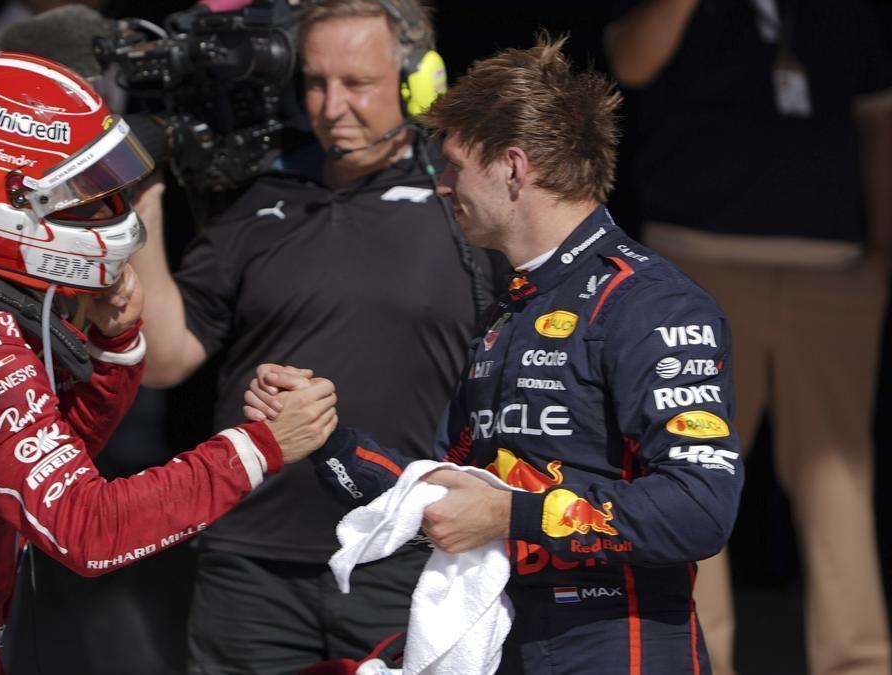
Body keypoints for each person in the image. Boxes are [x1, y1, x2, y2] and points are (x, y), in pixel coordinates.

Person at [0, 50, 339, 673]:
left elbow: (44, 464)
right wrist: (260, 447)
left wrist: (110, 347)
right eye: (77, 194)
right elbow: (88, 528)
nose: (104, 210)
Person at [249, 34, 743, 674]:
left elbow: (700, 508)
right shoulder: (509, 310)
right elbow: (444, 495)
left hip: (617, 644)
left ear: (513, 167)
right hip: (502, 637)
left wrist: (510, 514)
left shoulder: (652, 303)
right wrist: (325, 439)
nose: (441, 187)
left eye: (453, 166)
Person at [130, 0, 503, 671]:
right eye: (316, 82)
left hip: (407, 554)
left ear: (419, 82)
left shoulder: (467, 202)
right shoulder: (259, 196)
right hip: (250, 563)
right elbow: (162, 360)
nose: (333, 107)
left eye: (357, 83)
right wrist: (145, 204)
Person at [603, 2, 892, 673]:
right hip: (697, 266)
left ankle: (860, 662)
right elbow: (629, 62)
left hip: (835, 272)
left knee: (839, 479)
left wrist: (883, 254)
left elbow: (881, 125)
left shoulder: (845, 14)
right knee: (692, 468)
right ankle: (694, 659)